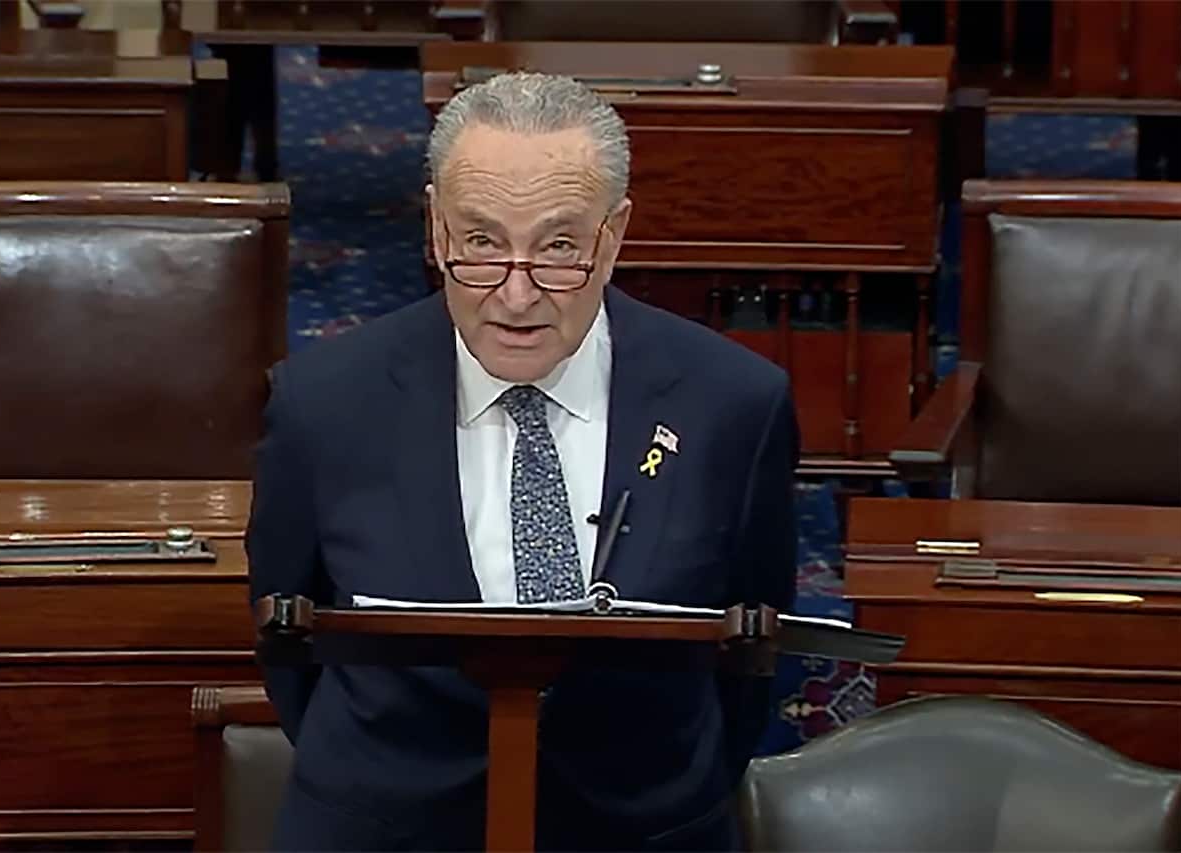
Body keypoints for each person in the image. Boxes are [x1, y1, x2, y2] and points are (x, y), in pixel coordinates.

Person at [247, 71, 799, 852]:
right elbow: (287, 635)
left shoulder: (733, 404)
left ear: (615, 235)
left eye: (560, 248)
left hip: (644, 823)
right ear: (436, 230)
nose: (516, 294)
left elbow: (751, 651)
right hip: (384, 826)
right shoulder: (324, 404)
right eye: (481, 245)